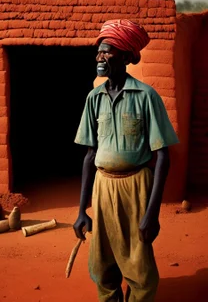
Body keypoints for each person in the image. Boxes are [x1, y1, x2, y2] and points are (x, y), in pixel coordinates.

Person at [73, 19, 179, 302]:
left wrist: (152, 213)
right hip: (102, 187)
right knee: (102, 262)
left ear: (126, 56)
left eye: (107, 51)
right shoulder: (94, 98)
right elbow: (89, 156)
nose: (100, 57)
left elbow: (162, 156)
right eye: (99, 51)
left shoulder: (146, 96)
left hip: (136, 187)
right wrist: (82, 210)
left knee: (138, 262)